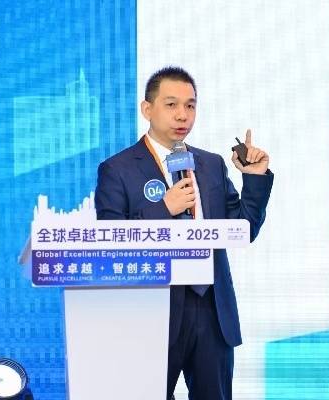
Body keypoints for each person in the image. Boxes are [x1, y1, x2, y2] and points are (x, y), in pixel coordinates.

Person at [94, 66, 273, 400]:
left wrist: (255, 178)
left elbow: (243, 229)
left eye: (190, 106)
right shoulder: (117, 169)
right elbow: (110, 241)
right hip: (153, 311)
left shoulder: (211, 164)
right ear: (147, 109)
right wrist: (164, 208)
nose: (182, 115)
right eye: (171, 104)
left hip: (212, 308)